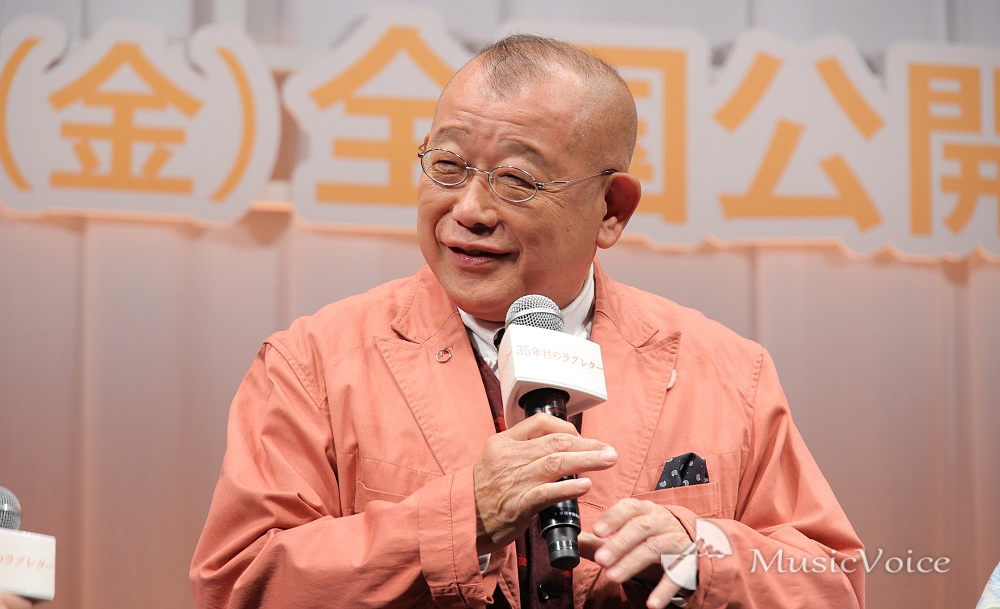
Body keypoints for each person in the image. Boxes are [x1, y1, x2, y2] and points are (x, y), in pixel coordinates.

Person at [191, 35, 865, 608]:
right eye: (447, 166)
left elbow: (832, 583)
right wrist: (461, 519)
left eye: (517, 180)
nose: (470, 210)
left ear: (612, 209)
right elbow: (239, 581)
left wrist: (703, 557)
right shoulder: (313, 362)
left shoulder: (726, 371)